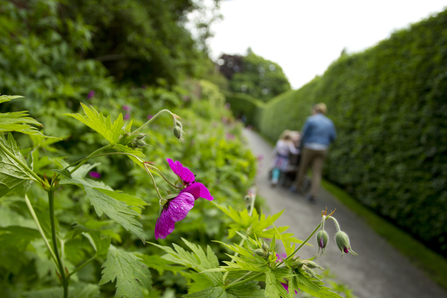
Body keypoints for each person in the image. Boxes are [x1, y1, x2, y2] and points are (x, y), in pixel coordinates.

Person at [292, 103, 336, 202]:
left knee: (303, 168)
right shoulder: (329, 122)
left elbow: (304, 134)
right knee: (317, 172)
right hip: (323, 149)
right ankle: (313, 194)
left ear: (315, 110)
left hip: (310, 147)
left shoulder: (311, 119)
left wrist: (300, 146)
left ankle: (297, 187)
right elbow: (333, 137)